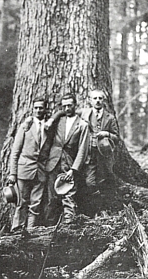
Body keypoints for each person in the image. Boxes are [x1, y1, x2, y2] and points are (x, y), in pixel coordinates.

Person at [8, 96, 52, 232]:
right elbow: (15, 151)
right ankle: (17, 229)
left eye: (41, 108)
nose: (38, 110)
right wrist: (12, 173)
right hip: (24, 170)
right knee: (21, 202)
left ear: (45, 109)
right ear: (32, 109)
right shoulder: (25, 126)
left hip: (40, 171)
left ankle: (30, 230)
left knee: (36, 204)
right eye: (36, 108)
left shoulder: (49, 127)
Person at [45, 93, 90, 225]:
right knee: (51, 198)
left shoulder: (82, 125)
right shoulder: (59, 120)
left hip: (69, 164)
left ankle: (68, 227)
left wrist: (74, 169)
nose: (67, 108)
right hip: (53, 162)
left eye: (70, 105)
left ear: (75, 105)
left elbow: (83, 149)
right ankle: (48, 229)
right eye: (64, 106)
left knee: (69, 196)